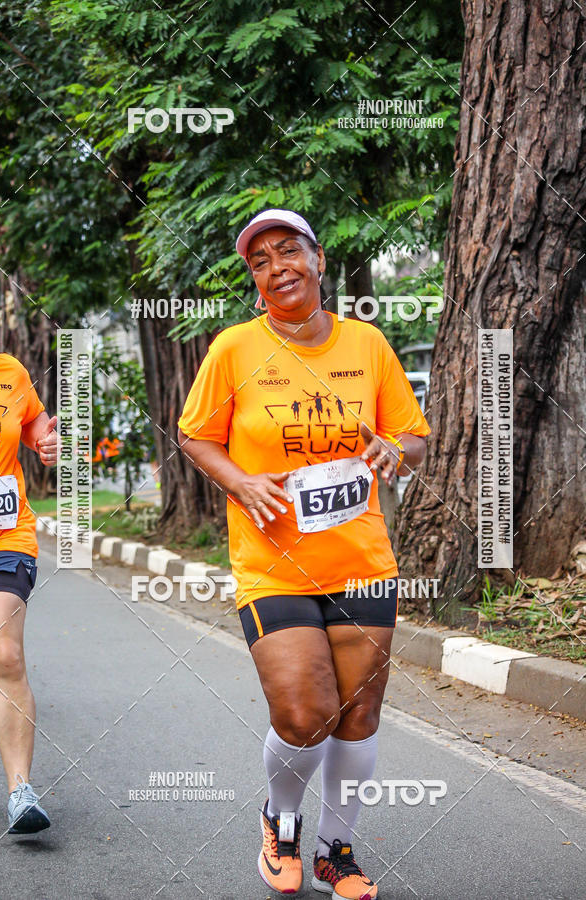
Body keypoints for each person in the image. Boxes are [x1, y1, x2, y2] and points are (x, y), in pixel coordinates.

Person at [178, 209, 430, 898]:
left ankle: (333, 850)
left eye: (288, 251)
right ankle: (280, 822)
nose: (276, 267)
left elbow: (411, 438)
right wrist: (239, 480)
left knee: (359, 713)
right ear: (255, 281)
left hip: (361, 563)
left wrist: (391, 450)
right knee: (304, 710)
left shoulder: (367, 344)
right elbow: (195, 436)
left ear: (318, 260)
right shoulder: (234, 349)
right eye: (260, 261)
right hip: (271, 563)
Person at [0, 309, 59, 834]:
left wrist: (44, 441)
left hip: (6, 534)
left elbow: (31, 423)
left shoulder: (10, 370)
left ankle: (20, 791)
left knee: (5, 653)